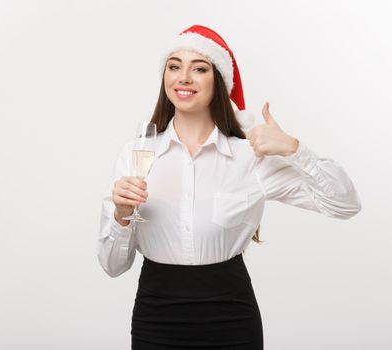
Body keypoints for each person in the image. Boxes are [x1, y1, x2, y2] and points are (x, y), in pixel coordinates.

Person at [97, 24, 362, 350]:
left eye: (199, 68)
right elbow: (112, 265)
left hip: (231, 320)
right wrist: (122, 216)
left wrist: (294, 148)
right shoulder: (136, 155)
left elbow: (346, 203)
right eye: (174, 66)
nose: (184, 78)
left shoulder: (249, 157)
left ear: (219, 81)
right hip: (156, 317)